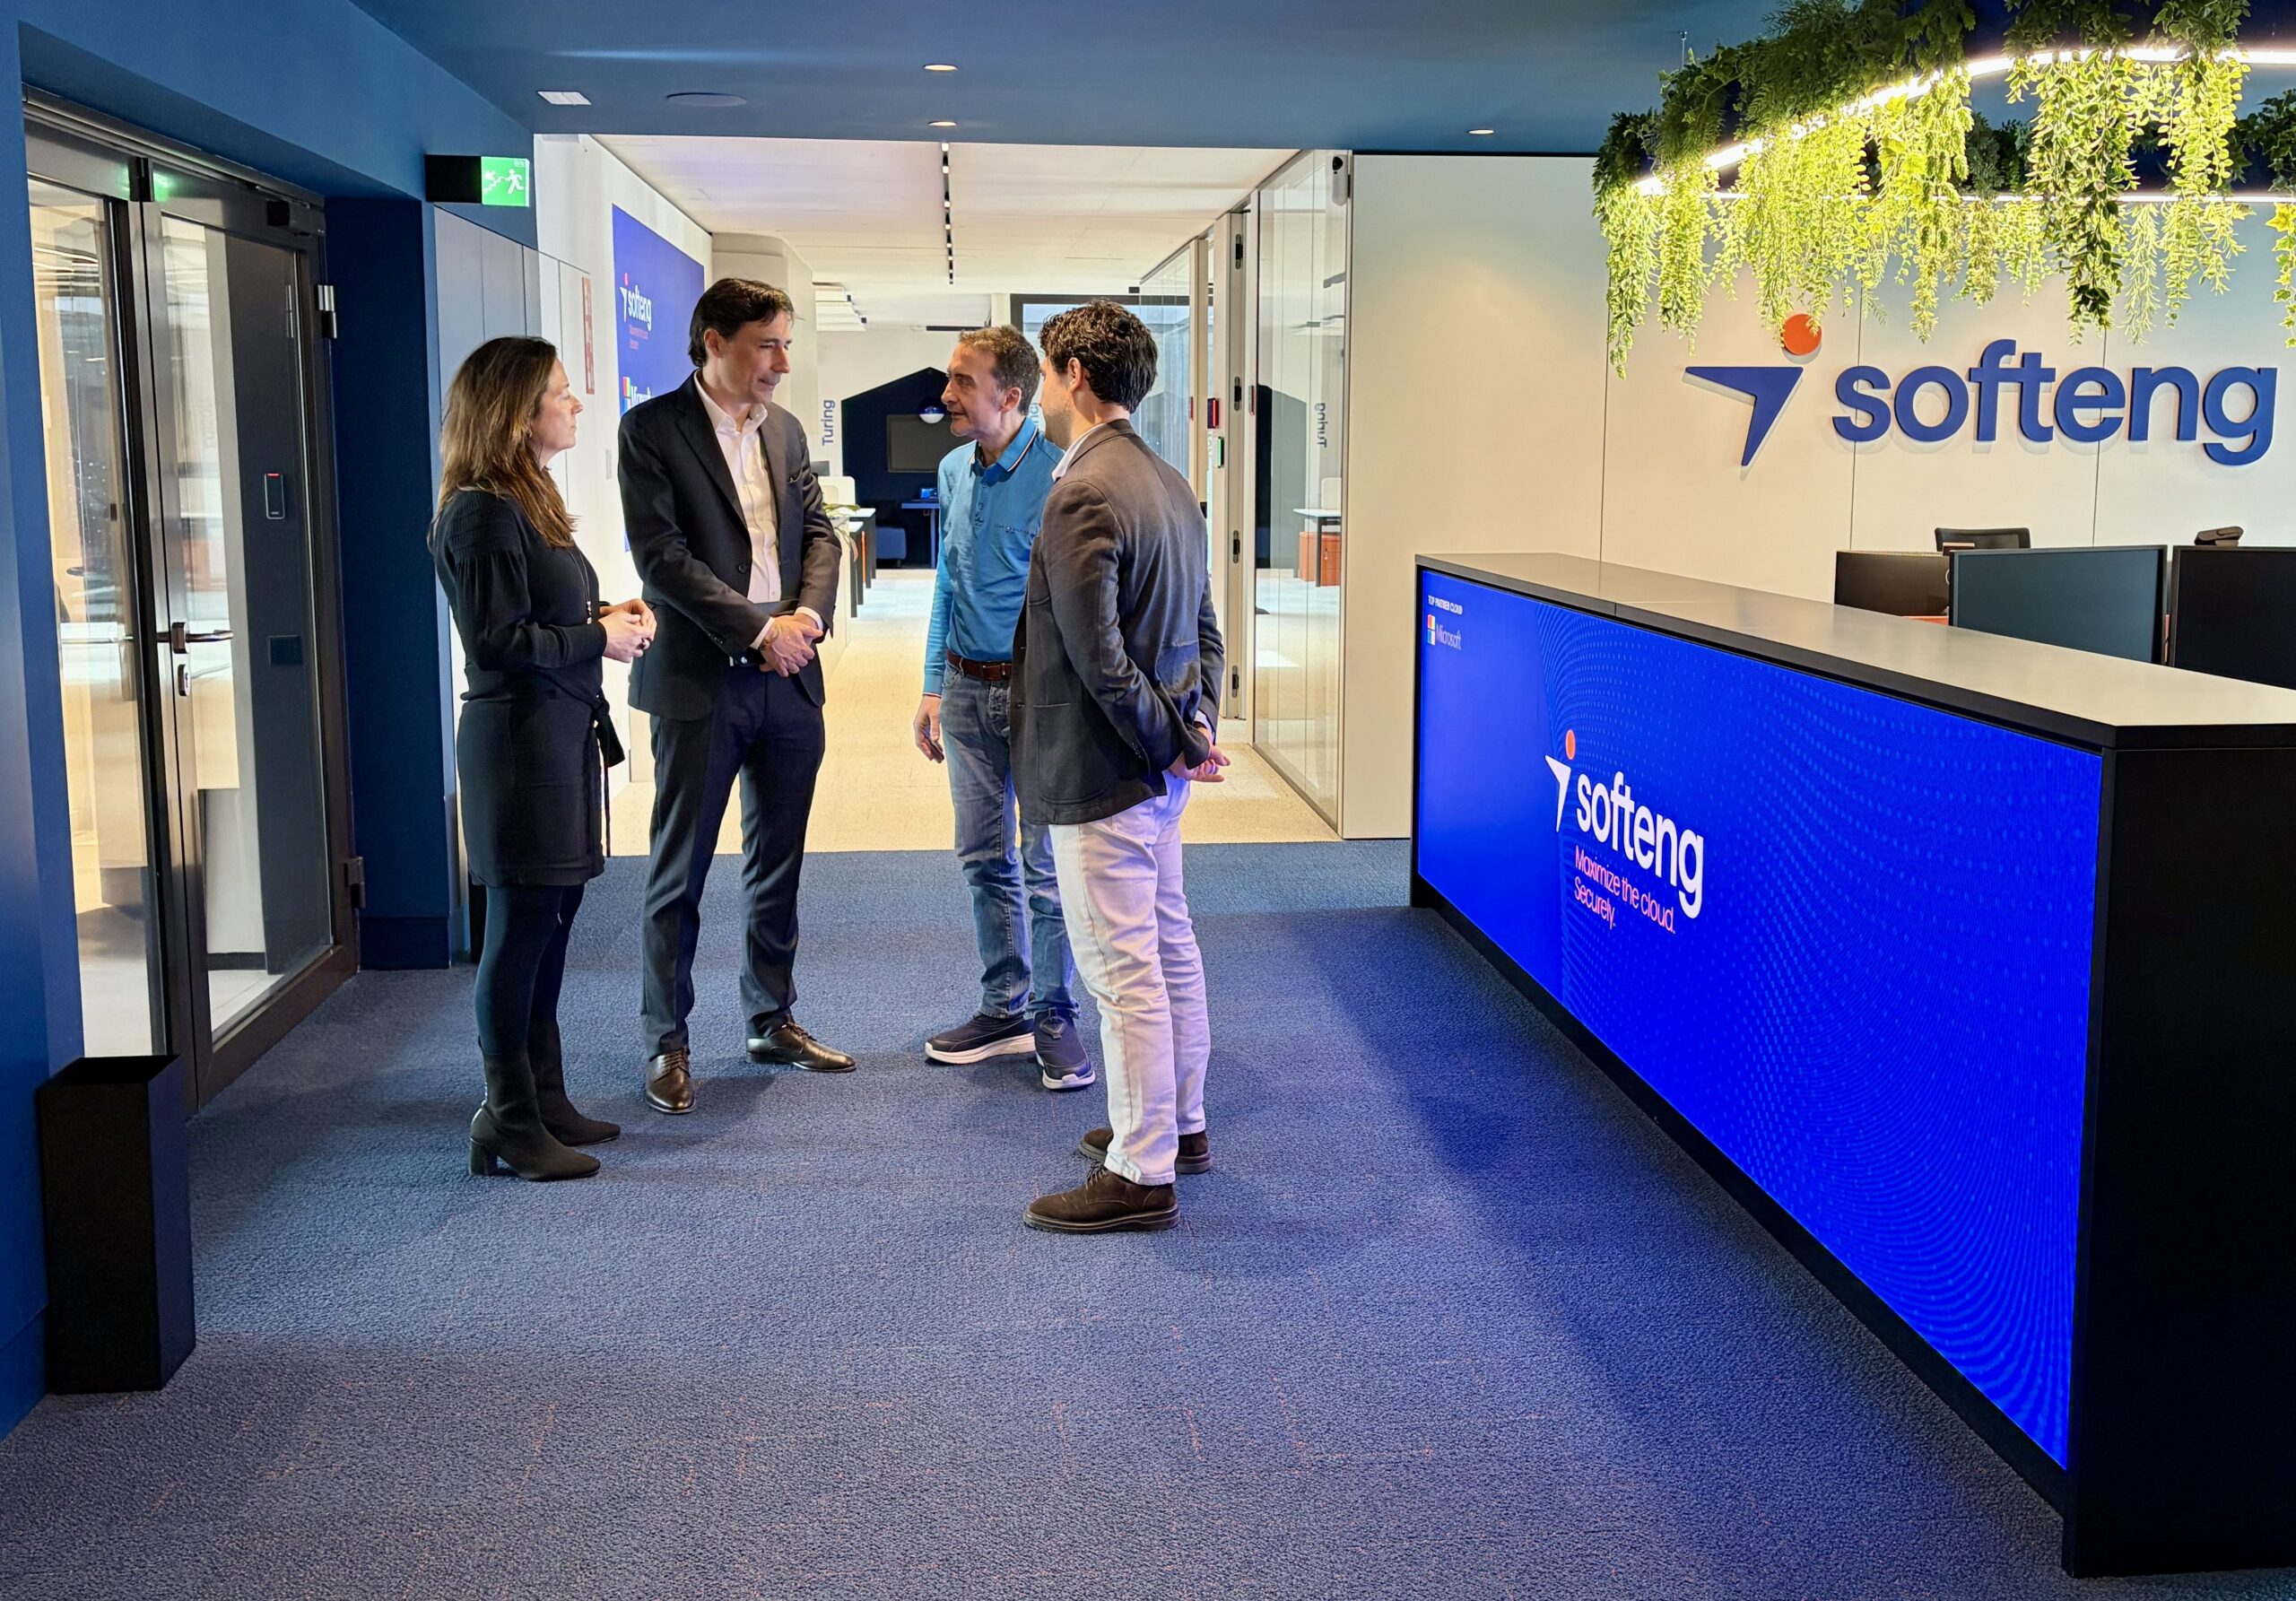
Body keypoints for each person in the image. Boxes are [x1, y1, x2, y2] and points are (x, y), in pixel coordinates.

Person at [1011, 301, 1229, 1234]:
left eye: (1047, 376)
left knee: (1121, 966)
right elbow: (1207, 631)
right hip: (1159, 762)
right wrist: (1193, 725)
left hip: (1109, 766)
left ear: (1070, 375)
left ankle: (1141, 1174)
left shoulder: (1082, 489)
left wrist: (1162, 738)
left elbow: (1096, 656)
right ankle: (1177, 1126)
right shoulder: (1168, 480)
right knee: (1165, 943)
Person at [621, 278, 853, 1116]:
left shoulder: (785, 432)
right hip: (702, 677)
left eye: (786, 343)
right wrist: (758, 628)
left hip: (791, 676)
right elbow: (663, 557)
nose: (782, 363)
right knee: (679, 869)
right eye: (767, 344)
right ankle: (666, 1041)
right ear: (714, 341)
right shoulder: (651, 430)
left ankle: (771, 1016)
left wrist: (808, 618)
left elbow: (819, 532)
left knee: (777, 862)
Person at [432, 336, 655, 1180]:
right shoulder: (482, 509)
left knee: (551, 929)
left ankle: (545, 1097)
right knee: (518, 936)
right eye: (562, 393)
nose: (576, 404)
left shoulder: (526, 500)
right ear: (518, 412)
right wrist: (598, 635)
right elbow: (498, 640)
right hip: (518, 748)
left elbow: (534, 609)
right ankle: (509, 1119)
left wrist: (604, 613)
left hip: (554, 738)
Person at [911, 326, 1090, 1090]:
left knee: (1042, 866)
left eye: (961, 380)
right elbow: (947, 582)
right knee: (983, 859)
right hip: (961, 688)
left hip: (1034, 695)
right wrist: (929, 685)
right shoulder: (955, 470)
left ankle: (1055, 1012)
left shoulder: (1060, 478)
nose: (946, 394)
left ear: (1010, 396)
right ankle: (1004, 1004)